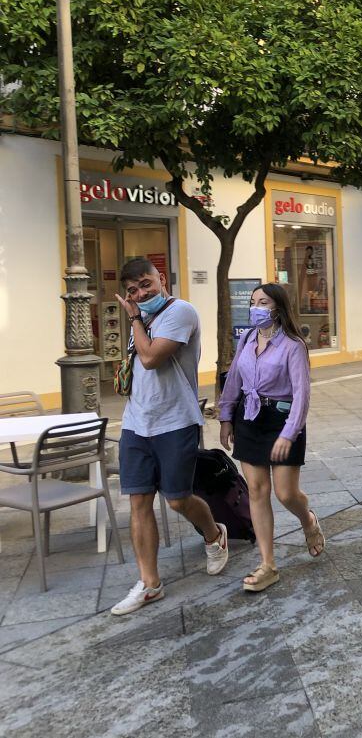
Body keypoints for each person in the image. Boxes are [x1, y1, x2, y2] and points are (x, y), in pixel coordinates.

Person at [110, 258, 228, 616]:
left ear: (161, 278)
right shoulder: (142, 319)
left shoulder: (181, 312)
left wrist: (133, 317)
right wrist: (137, 320)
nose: (141, 293)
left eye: (146, 284)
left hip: (175, 422)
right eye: (133, 290)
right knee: (138, 502)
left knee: (177, 500)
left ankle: (214, 535)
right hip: (135, 424)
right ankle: (150, 584)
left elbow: (150, 359)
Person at [218, 283, 323, 593]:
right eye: (253, 302)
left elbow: (302, 394)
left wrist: (289, 433)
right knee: (257, 490)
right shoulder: (248, 338)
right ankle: (268, 565)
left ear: (278, 307)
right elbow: (234, 378)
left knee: (286, 493)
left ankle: (308, 521)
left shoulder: (293, 345)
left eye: (263, 302)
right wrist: (226, 417)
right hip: (249, 418)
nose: (256, 308)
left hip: (281, 420)